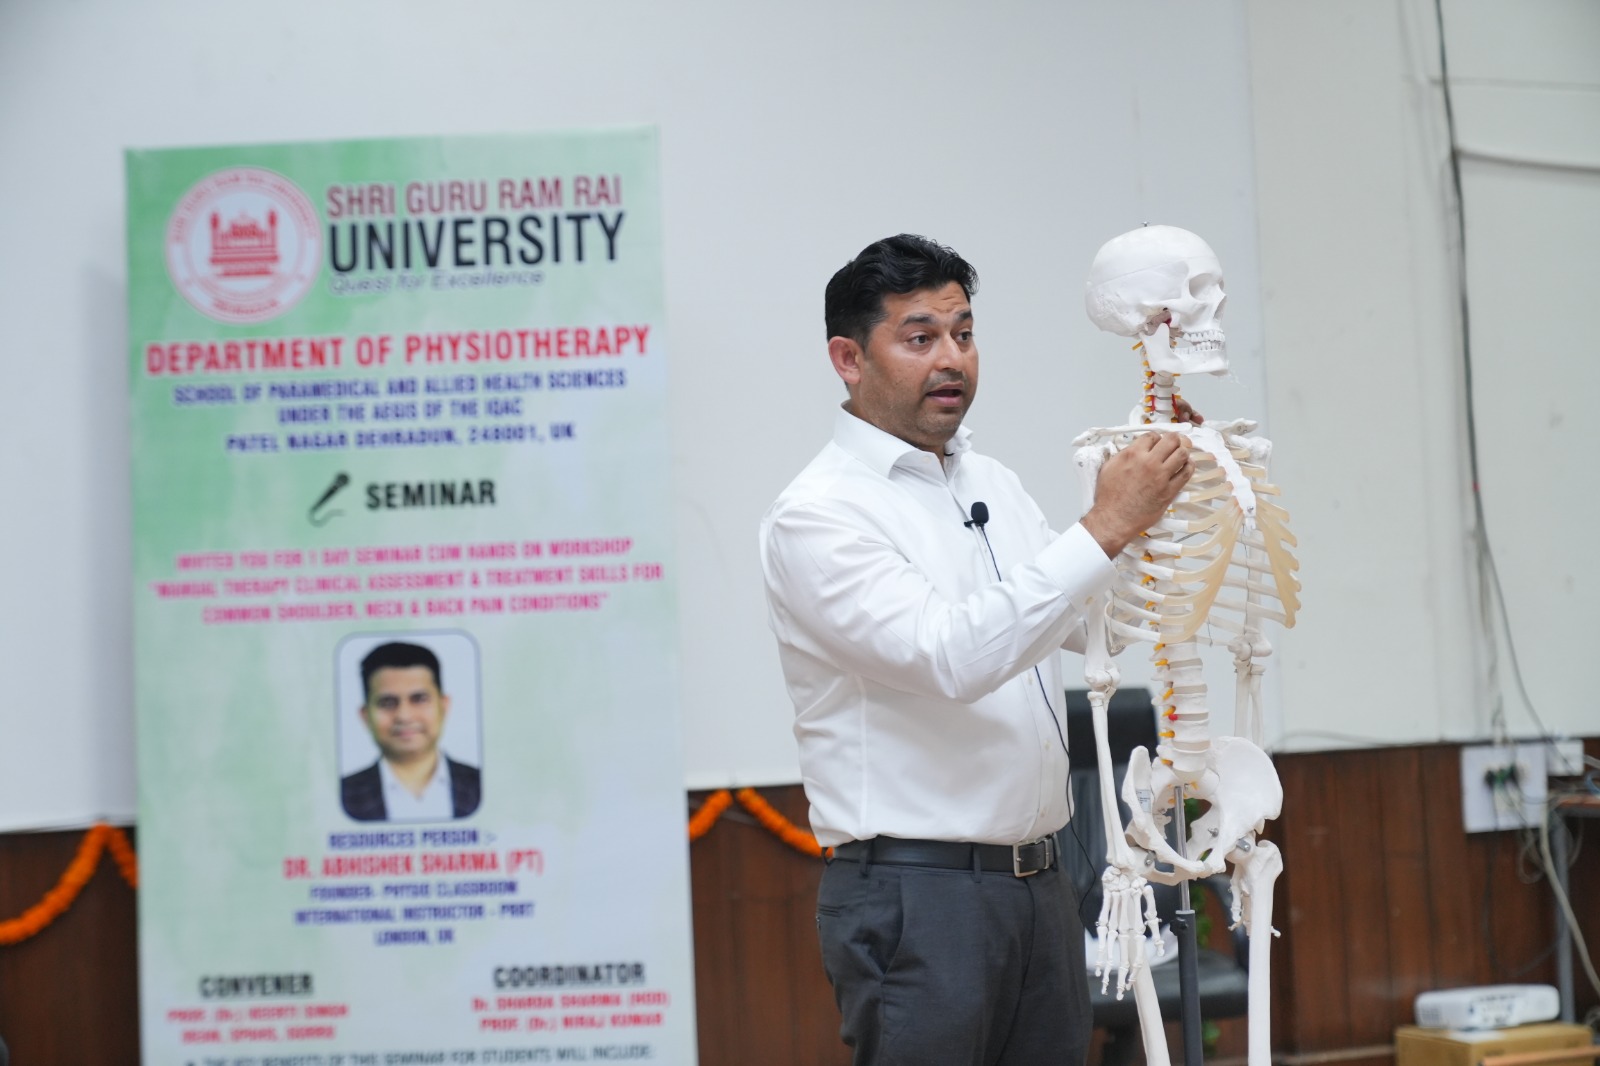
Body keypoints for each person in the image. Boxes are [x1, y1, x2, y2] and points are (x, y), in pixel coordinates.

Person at [759, 234, 1196, 1064]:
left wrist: (1160, 510)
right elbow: (952, 658)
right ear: (849, 359)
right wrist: (1108, 523)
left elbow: (1087, 626)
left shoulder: (989, 481)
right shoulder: (818, 515)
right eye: (920, 337)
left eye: (963, 333)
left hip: (1041, 883)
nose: (951, 358)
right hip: (918, 893)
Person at [340, 641, 481, 822]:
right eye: (387, 703)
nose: (404, 716)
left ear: (444, 706)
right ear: (365, 715)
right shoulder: (340, 795)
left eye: (419, 699)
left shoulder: (485, 785)